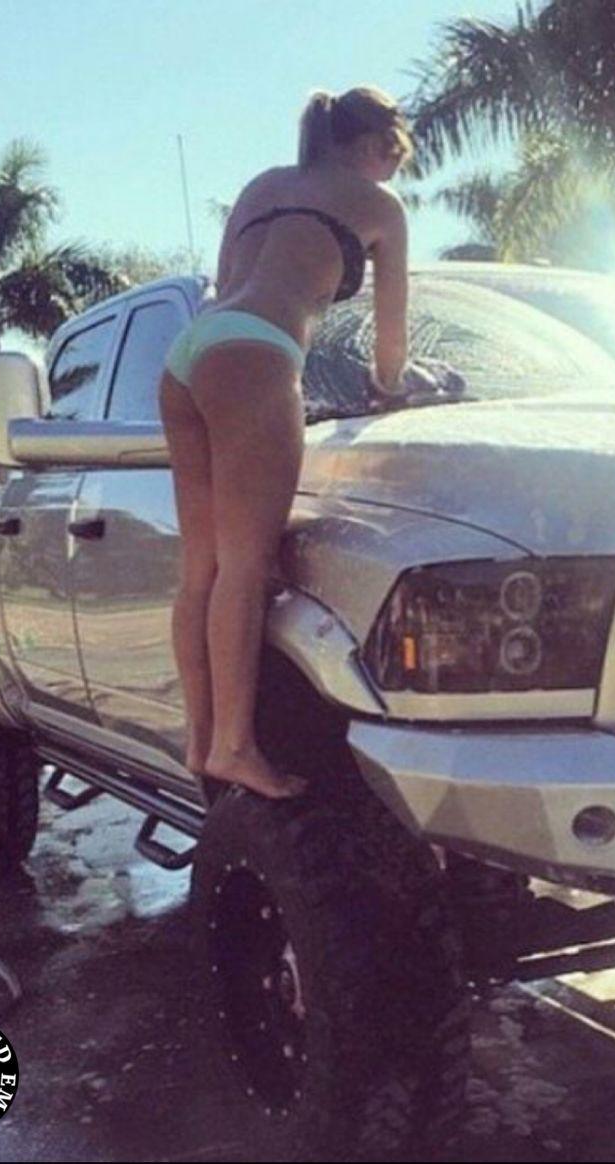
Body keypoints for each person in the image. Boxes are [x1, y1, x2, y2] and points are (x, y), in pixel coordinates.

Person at [157, 85, 415, 799]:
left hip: (191, 354)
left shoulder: (262, 186)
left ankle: (200, 739)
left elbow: (228, 282)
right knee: (246, 567)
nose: (392, 173)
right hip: (258, 353)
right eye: (394, 158)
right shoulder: (380, 206)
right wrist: (391, 385)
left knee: (201, 569)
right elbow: (390, 347)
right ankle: (236, 746)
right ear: (374, 146)